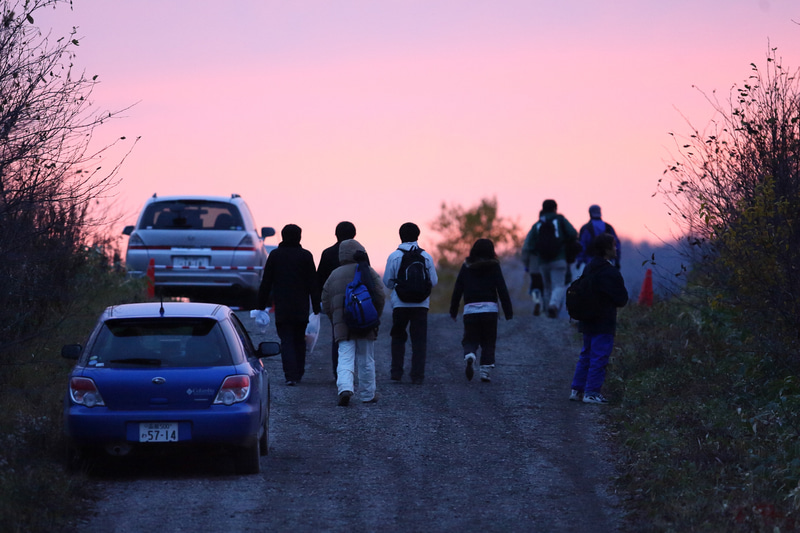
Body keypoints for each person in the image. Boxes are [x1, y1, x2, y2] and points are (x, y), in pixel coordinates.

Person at [321, 239, 386, 406]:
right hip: (366, 322)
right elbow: (380, 295)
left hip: (343, 324)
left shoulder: (334, 274)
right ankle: (368, 394)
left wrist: (334, 319)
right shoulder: (367, 270)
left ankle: (345, 388)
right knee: (366, 359)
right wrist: (374, 316)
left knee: (345, 357)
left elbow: (325, 300)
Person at [257, 223, 320, 386]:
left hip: (283, 307)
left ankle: (290, 375)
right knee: (299, 339)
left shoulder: (275, 255)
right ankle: (298, 372)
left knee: (286, 340)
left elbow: (266, 282)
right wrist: (316, 306)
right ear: (299, 237)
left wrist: (261, 305)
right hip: (301, 307)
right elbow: (313, 283)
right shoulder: (306, 256)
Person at [569, 232, 628, 404]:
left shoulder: (589, 267)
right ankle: (592, 393)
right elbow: (622, 299)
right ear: (607, 249)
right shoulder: (610, 272)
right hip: (604, 321)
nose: (616, 249)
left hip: (587, 320)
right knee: (599, 356)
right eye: (614, 245)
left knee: (586, 355)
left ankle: (576, 390)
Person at [449, 239, 513, 382]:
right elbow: (502, 288)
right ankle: (485, 371)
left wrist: (453, 310)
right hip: (490, 310)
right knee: (489, 341)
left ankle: (470, 354)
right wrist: (508, 311)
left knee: (470, 338)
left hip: (470, 310)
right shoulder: (494, 266)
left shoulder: (466, 266)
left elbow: (458, 289)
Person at [383, 222, 438, 384]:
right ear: (417, 236)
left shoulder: (394, 256)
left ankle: (396, 372)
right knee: (419, 340)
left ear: (400, 236)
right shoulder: (426, 257)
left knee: (398, 337)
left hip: (400, 304)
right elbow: (433, 281)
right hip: (421, 304)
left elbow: (387, 282)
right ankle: (417, 375)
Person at [523, 199, 578, 318]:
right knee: (558, 285)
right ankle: (553, 305)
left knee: (547, 287)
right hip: (559, 258)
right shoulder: (560, 220)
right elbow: (573, 233)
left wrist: (538, 251)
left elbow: (529, 245)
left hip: (542, 261)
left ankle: (547, 312)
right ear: (555, 208)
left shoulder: (537, 225)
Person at [316, 221, 357, 380]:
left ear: (336, 234)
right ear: (354, 235)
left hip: (335, 302)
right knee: (356, 337)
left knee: (338, 337)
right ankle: (350, 371)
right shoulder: (360, 253)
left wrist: (319, 303)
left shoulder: (328, 253)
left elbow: (320, 280)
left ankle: (338, 372)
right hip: (357, 302)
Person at [575, 204, 621, 271]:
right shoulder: (609, 227)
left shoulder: (586, 228)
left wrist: (579, 261)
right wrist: (617, 261)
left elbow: (582, 245)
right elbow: (616, 245)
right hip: (607, 262)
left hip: (590, 261)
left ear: (590, 213)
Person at [521, 209, 546, 316]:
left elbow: (526, 247)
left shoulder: (535, 227)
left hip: (534, 263)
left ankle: (536, 301)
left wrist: (526, 264)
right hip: (548, 262)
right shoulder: (553, 226)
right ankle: (546, 308)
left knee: (535, 286)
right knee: (546, 286)